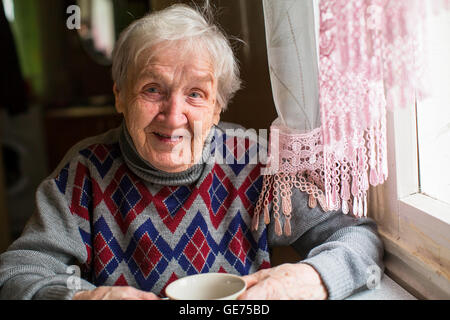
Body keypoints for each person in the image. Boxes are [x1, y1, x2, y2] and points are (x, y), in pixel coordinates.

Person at [0, 4, 383, 300]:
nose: (173, 115)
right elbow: (16, 273)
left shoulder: (254, 160)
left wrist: (310, 278)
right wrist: (84, 295)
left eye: (196, 94)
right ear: (119, 96)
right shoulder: (83, 173)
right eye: (153, 89)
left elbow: (356, 237)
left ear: (218, 107)